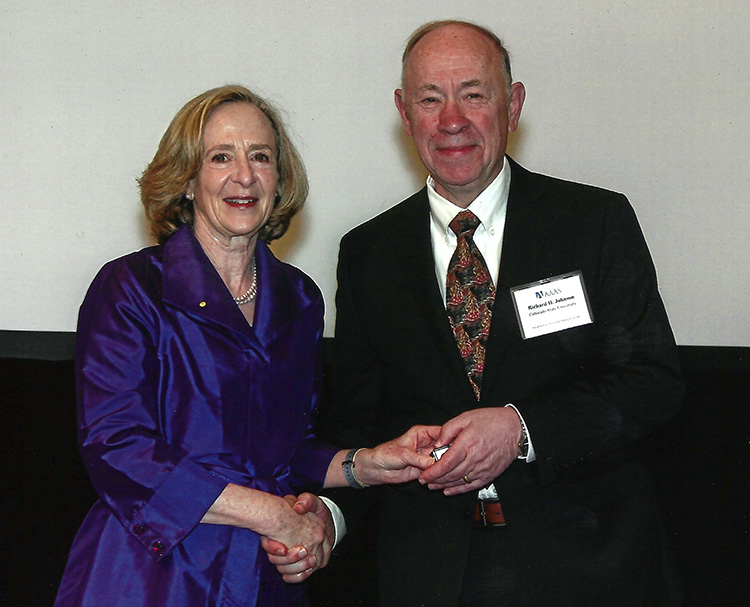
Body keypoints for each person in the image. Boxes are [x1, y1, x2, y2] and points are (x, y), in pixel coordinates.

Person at [314, 20, 684, 607]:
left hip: (588, 566)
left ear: (512, 106)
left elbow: (653, 384)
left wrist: (522, 430)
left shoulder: (594, 222)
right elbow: (358, 423)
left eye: (474, 94)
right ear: (404, 114)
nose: (451, 120)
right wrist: (327, 517)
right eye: (430, 99)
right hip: (431, 573)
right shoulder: (368, 254)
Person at [54, 84, 437, 607]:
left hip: (261, 574)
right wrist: (271, 513)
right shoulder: (131, 288)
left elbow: (287, 451)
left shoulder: (299, 299)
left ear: (279, 180)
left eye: (261, 156)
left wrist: (365, 463)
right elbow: (117, 448)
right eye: (220, 157)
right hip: (153, 569)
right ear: (187, 179)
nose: (244, 175)